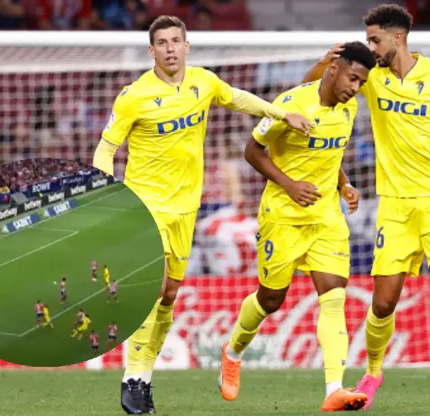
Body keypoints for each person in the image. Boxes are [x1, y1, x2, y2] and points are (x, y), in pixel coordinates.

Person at [92, 15, 312, 415]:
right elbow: (106, 147)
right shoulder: (134, 96)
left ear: (187, 46)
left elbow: (238, 98)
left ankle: (143, 376)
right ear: (152, 50)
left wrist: (283, 115)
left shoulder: (203, 82)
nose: (171, 48)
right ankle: (133, 377)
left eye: (177, 40)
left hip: (186, 210)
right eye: (163, 42)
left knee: (169, 296)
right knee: (154, 286)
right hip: (145, 207)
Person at [302, 4, 430, 411]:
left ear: (397, 37)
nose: (371, 46)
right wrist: (326, 63)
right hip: (396, 206)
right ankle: (374, 371)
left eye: (375, 39)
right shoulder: (372, 77)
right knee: (383, 301)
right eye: (368, 39)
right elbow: (312, 92)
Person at [218, 41, 375, 412]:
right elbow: (252, 151)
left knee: (334, 297)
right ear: (333, 68)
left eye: (362, 83)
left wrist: (344, 184)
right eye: (352, 77)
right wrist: (289, 185)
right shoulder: (290, 105)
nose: (355, 88)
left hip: (326, 219)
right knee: (271, 299)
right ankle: (233, 350)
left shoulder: (349, 109)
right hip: (282, 216)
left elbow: (328, 153)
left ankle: (334, 388)